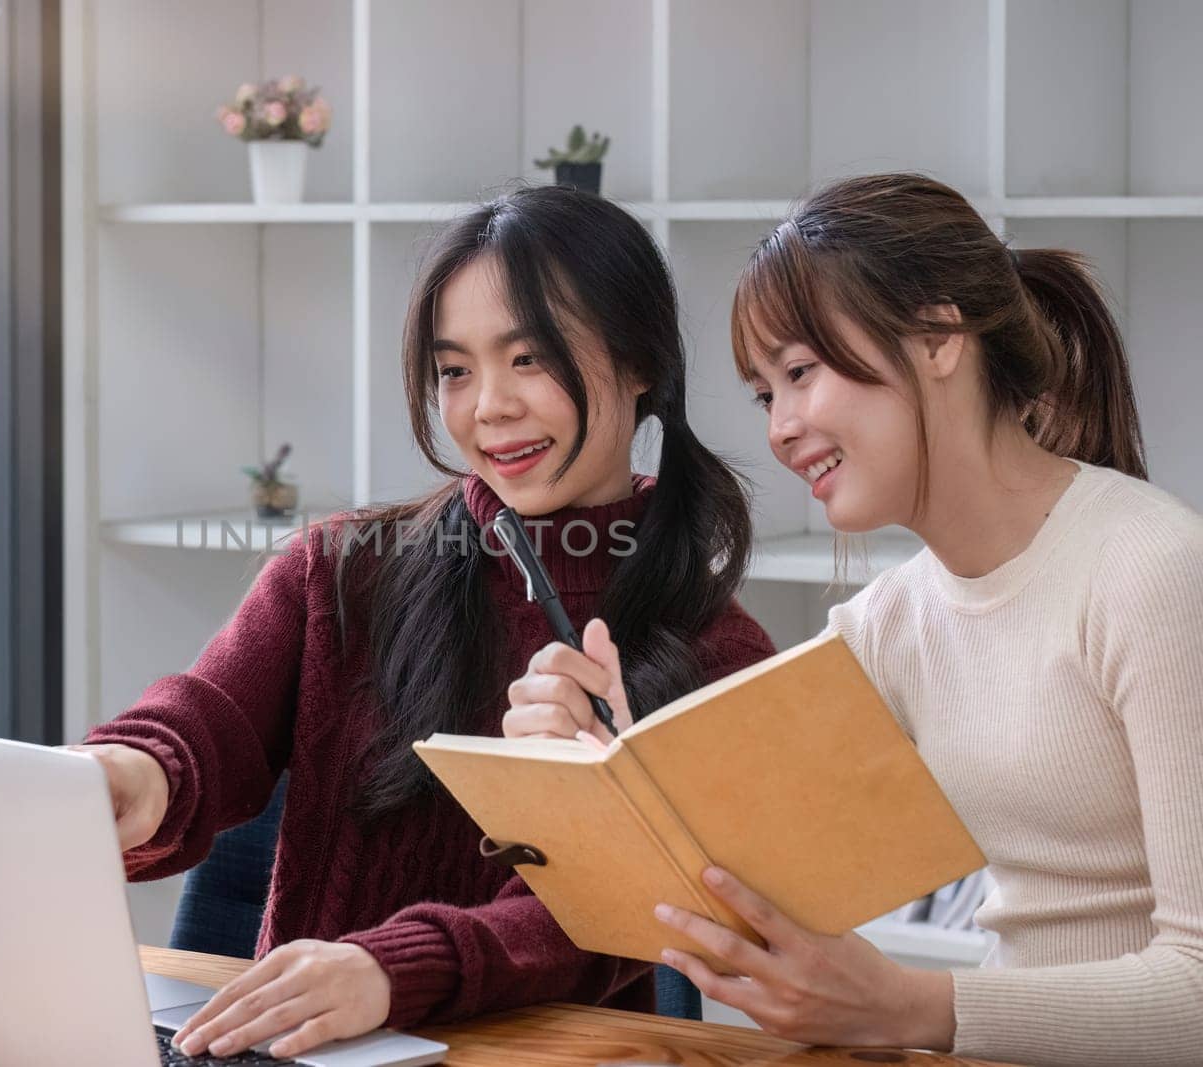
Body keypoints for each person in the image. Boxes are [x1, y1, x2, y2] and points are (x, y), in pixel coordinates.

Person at [502, 173, 1203, 1066]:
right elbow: (712, 869)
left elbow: (1198, 983)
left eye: (800, 373)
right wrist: (597, 755)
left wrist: (914, 1007)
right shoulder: (885, 626)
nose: (782, 428)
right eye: (765, 395)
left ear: (940, 337)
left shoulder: (1153, 575)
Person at [73, 185, 776, 1061]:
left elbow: (620, 918)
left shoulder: (722, 653)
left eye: (531, 359)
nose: (488, 406)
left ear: (640, 364)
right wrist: (136, 768)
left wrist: (391, 970)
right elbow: (208, 717)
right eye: (455, 370)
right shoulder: (338, 571)